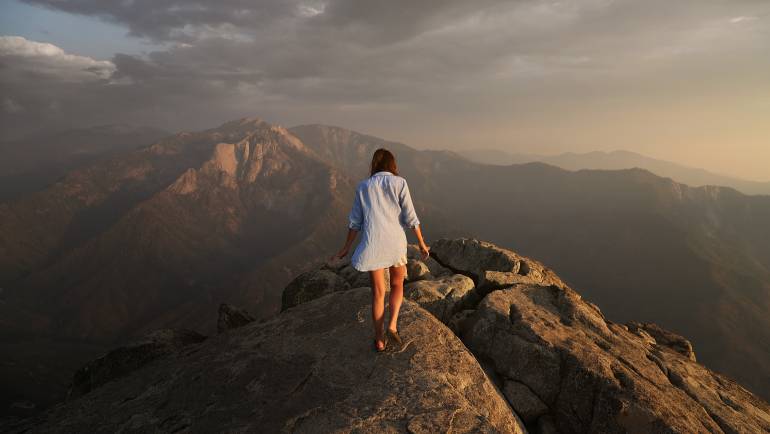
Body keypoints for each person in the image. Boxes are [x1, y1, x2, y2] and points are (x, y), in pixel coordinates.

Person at [330, 148, 430, 352]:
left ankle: (379, 339)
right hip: (395, 243)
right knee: (397, 285)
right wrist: (421, 243)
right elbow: (412, 218)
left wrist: (346, 247)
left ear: (374, 165)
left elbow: (355, 222)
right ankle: (392, 325)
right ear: (392, 165)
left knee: (377, 293)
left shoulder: (363, 187)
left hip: (373, 243)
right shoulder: (400, 182)